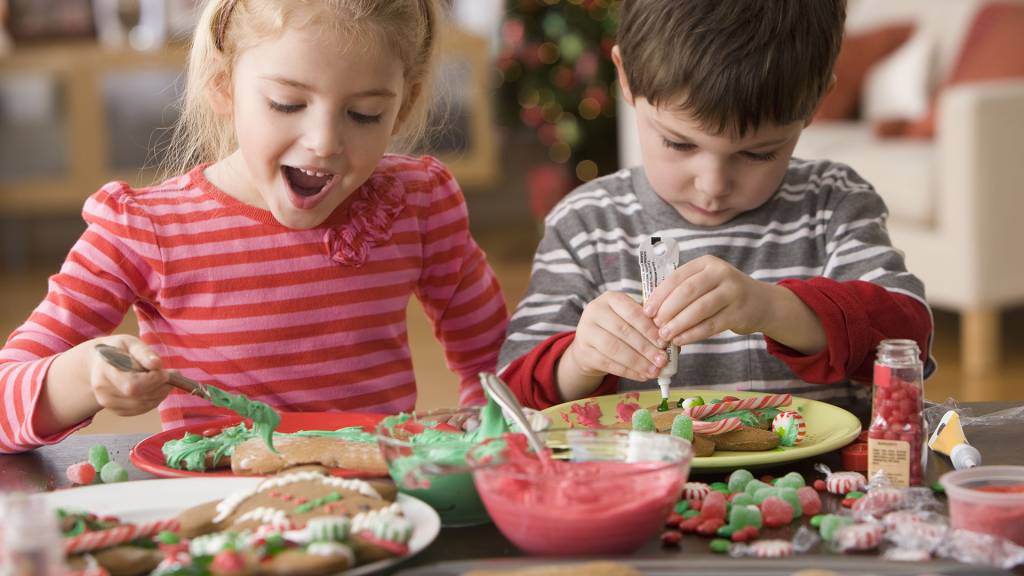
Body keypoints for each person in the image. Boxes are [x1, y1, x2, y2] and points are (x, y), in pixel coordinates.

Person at [0, 0, 509, 453]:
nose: (324, 141)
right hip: (225, 525)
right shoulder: (144, 228)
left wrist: (482, 447)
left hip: (381, 506)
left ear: (404, 104)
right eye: (287, 104)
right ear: (224, 85)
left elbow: (500, 370)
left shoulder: (419, 203)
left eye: (364, 113)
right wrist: (85, 376)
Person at [499, 0, 933, 414]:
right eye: (679, 143)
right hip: (638, 487)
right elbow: (509, 394)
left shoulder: (833, 204)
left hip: (818, 487)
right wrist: (579, 360)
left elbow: (909, 343)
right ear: (627, 79)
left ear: (815, 104)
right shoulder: (585, 224)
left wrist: (774, 310)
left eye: (758, 153)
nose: (712, 186)